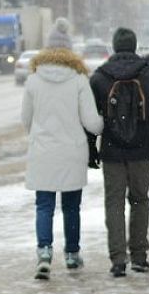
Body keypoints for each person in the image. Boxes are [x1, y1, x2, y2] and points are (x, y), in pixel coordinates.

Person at [21, 17, 103, 279]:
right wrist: (104, 126)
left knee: (44, 205)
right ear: (69, 51)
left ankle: (44, 253)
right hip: (71, 152)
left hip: (43, 151)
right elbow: (91, 122)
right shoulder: (79, 80)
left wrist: (39, 134)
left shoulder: (33, 81)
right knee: (71, 206)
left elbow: (25, 119)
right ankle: (71, 254)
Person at [87, 27, 149, 277]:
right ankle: (139, 255)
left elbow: (91, 120)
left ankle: (117, 259)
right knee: (140, 200)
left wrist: (92, 149)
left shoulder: (100, 78)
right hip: (142, 150)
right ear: (135, 46)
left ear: (114, 46)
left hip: (112, 151)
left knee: (113, 203)